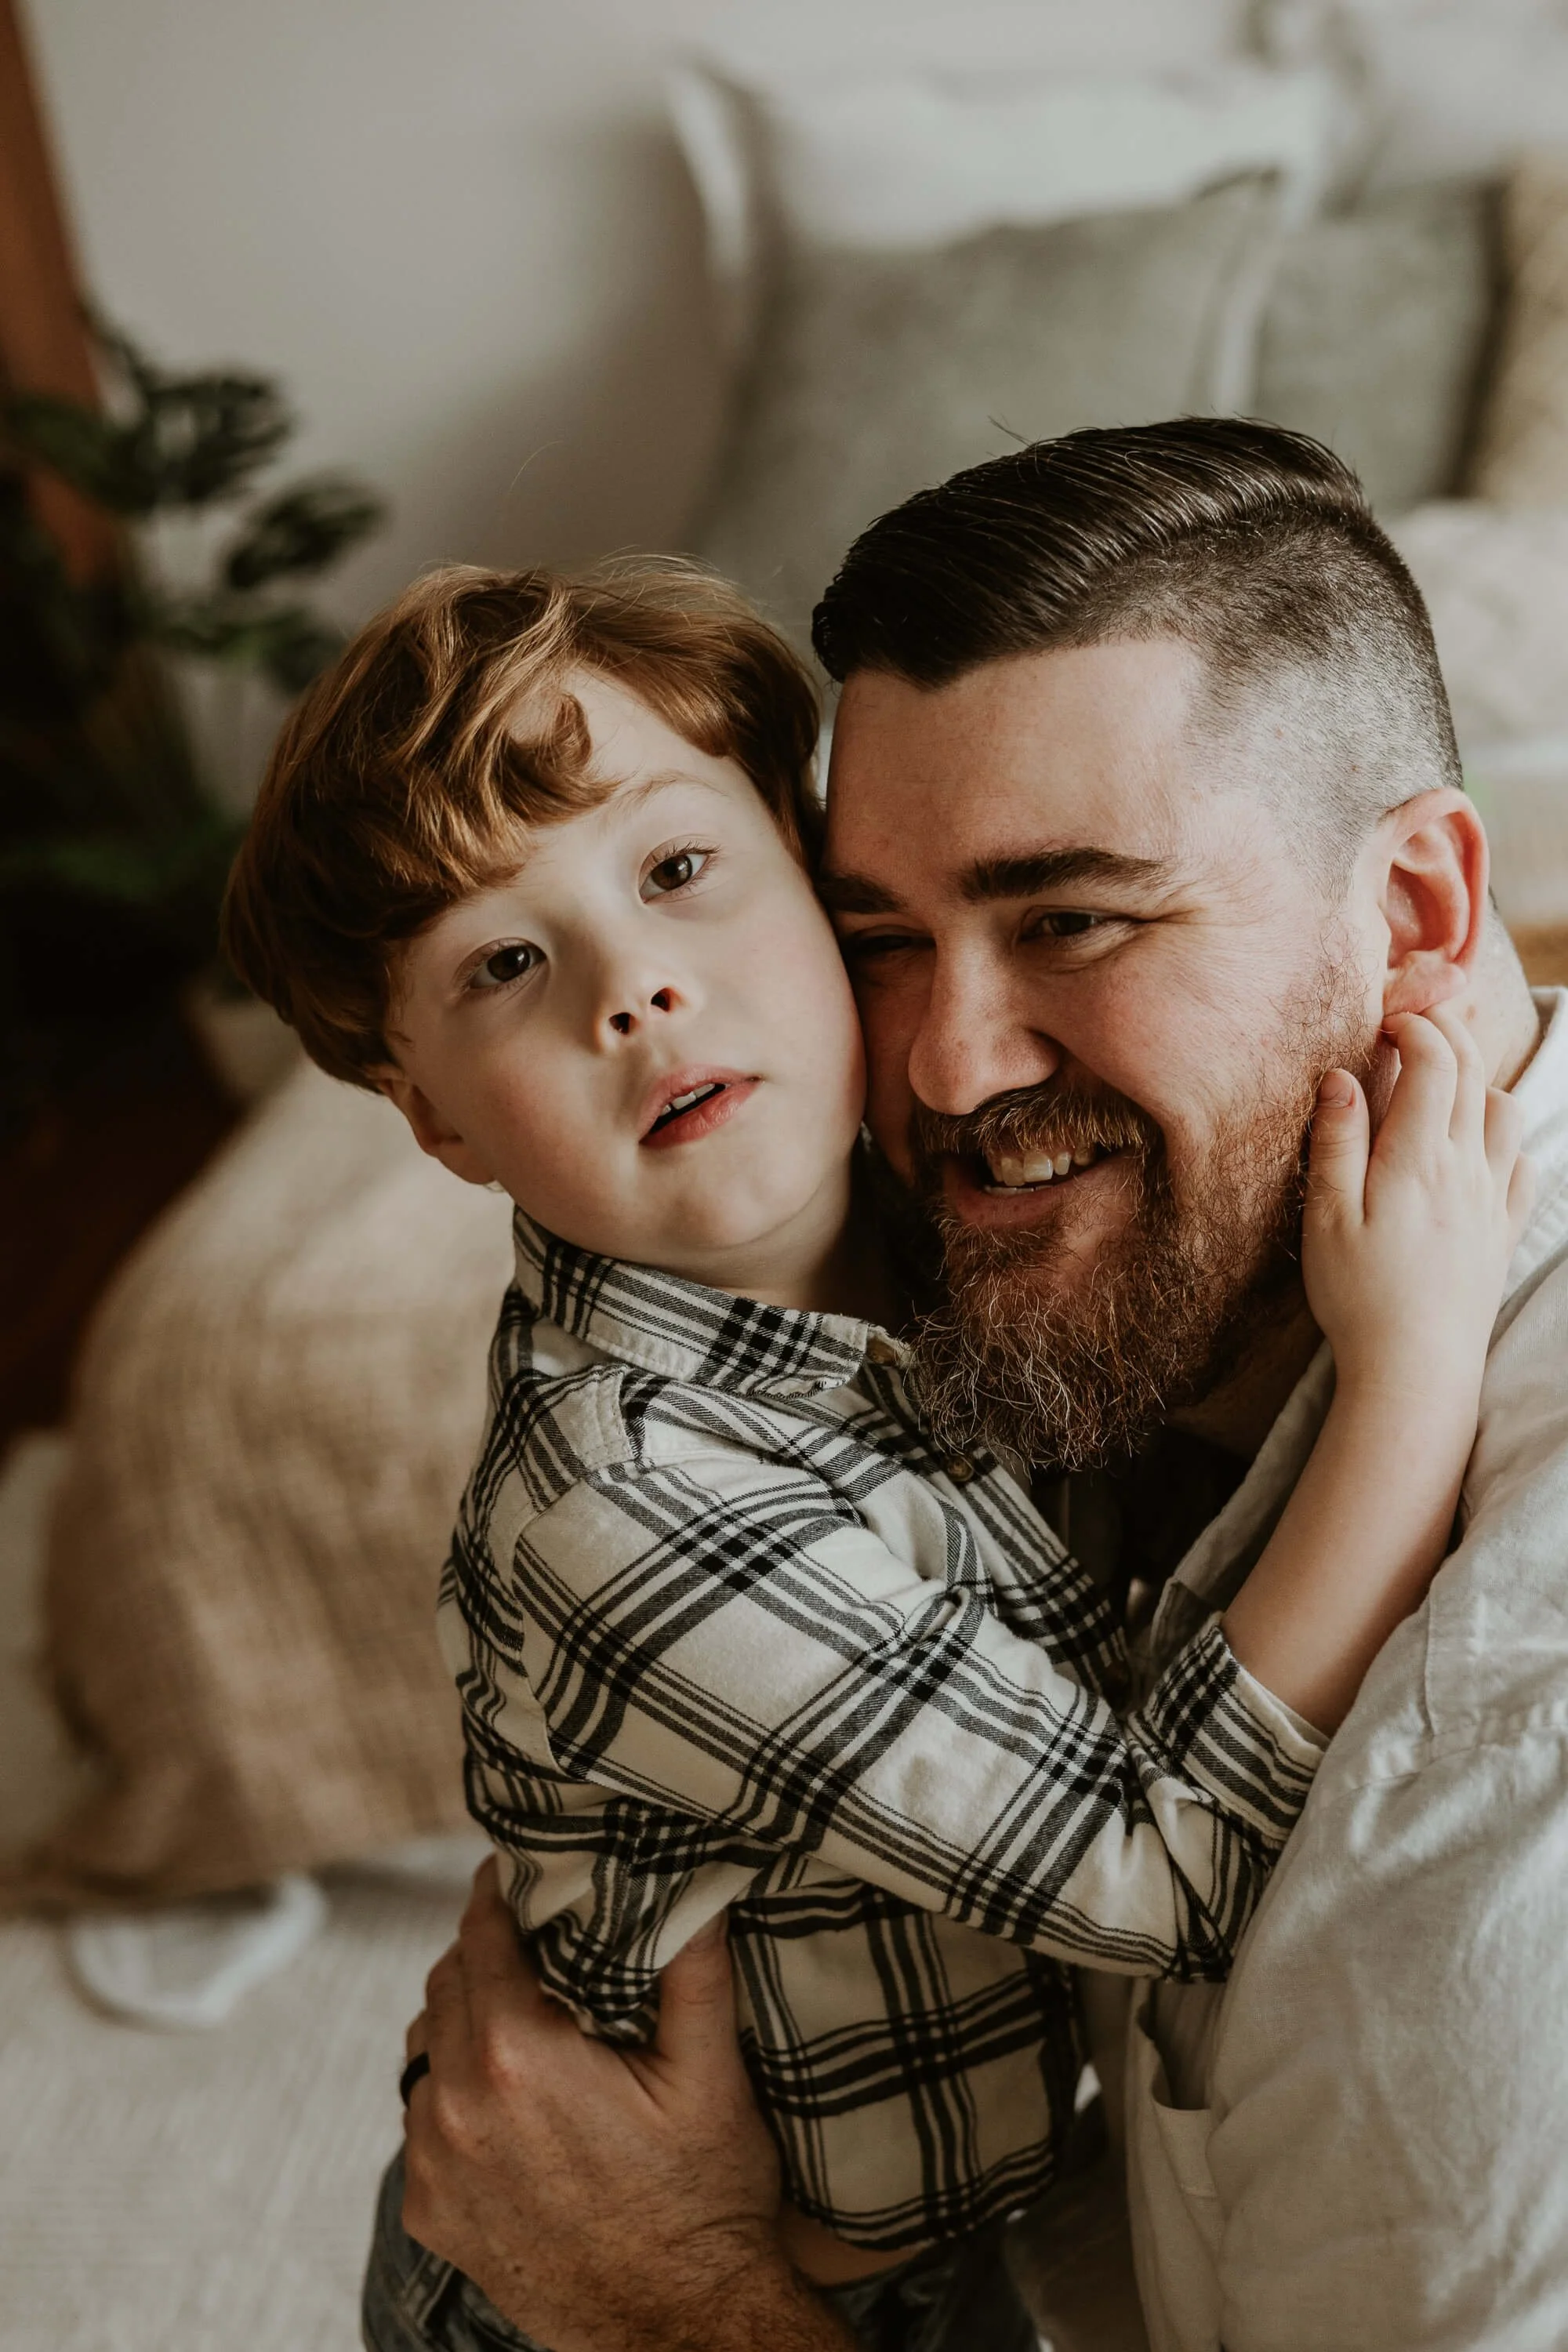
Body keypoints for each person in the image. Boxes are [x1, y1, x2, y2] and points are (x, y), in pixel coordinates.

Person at [226, 486, 1524, 2352]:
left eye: (678, 869)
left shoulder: (955, 1233)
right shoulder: (624, 1502)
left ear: (806, 871)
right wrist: (1407, 1365)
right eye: (502, 967)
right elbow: (1157, 1866)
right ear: (431, 1119)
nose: (633, 989)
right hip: (651, 2286)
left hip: (971, 2219)